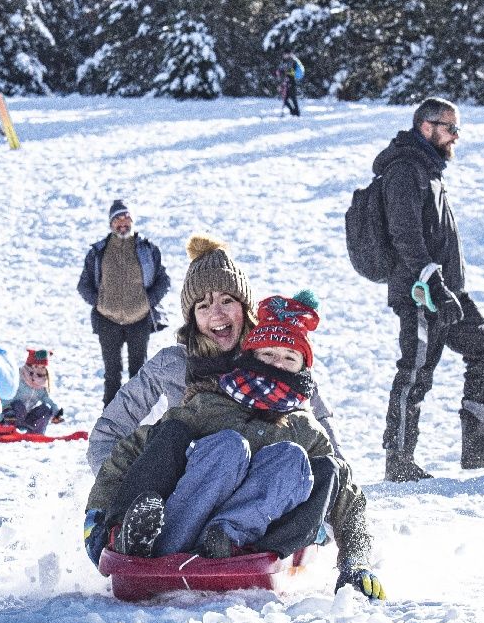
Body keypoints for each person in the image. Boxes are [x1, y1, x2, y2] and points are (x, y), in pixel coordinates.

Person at [86, 291, 383, 600]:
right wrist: (101, 513)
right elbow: (137, 450)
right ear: (251, 357)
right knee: (227, 446)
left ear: (302, 370)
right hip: (184, 525)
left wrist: (355, 561)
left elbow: (347, 496)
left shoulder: (303, 428)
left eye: (289, 358)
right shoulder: (211, 405)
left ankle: (227, 538)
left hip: (247, 540)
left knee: (294, 459)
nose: (277, 365)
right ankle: (147, 542)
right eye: (268, 354)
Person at [86, 234, 342, 475]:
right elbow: (106, 436)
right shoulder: (173, 366)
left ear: (245, 307)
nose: (217, 315)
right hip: (191, 499)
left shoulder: (276, 357)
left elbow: (326, 446)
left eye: (227, 301)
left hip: (268, 499)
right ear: (193, 318)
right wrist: (128, 495)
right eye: (204, 306)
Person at [372, 98, 484, 482]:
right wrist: (431, 281)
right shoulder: (404, 170)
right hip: (422, 293)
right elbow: (404, 234)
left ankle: (477, 445)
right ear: (427, 126)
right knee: (416, 372)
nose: (456, 135)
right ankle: (399, 459)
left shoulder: (427, 169)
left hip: (448, 291)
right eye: (450, 128)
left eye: (457, 128)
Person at [77, 199, 171, 406]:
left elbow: (163, 280)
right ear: (111, 224)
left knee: (138, 373)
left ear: (132, 220)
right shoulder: (98, 252)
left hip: (139, 320)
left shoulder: (147, 249)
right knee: (112, 374)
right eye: (117, 219)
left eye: (126, 218)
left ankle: (139, 420)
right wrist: (99, 302)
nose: (122, 223)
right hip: (107, 321)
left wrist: (148, 302)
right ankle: (109, 423)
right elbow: (83, 285)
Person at [0, 348, 63, 434]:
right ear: (29, 366)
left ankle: (36, 434)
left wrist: (56, 411)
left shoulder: (41, 383)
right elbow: (5, 395)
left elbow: (46, 399)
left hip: (26, 418)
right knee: (18, 405)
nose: (40, 370)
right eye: (36, 366)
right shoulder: (18, 377)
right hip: (11, 417)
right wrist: (7, 410)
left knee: (46, 408)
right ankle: (9, 430)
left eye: (43, 367)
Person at [277, 51, 304, 117]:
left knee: (293, 98)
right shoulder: (284, 61)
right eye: (284, 54)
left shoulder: (293, 62)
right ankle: (293, 111)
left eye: (286, 54)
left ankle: (297, 112)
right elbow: (281, 71)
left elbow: (292, 72)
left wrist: (287, 73)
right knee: (285, 99)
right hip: (285, 83)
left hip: (291, 82)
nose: (284, 55)